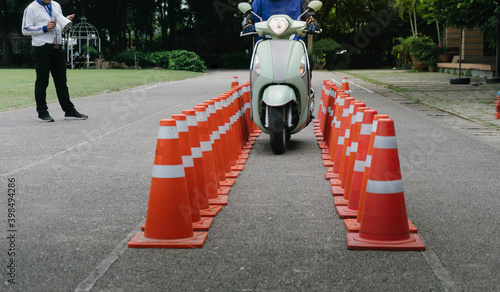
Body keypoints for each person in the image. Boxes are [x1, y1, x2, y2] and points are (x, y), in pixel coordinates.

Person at [22, 0, 88, 122]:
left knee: (62, 81)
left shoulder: (56, 5)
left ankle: (69, 111)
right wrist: (44, 27)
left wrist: (65, 21)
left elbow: (58, 27)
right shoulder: (31, 8)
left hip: (57, 47)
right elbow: (25, 29)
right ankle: (42, 113)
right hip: (41, 48)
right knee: (43, 81)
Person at [242, 0, 321, 35]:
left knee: (303, 65)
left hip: (293, 40)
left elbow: (308, 17)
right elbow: (249, 18)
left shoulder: (299, 0)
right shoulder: (259, 1)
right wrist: (247, 25)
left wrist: (312, 23)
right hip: (265, 40)